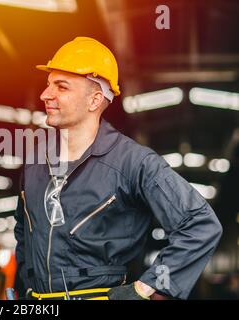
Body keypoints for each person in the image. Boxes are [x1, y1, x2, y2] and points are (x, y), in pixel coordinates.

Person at [14, 37, 223, 300]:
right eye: (48, 85)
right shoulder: (35, 163)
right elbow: (23, 232)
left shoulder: (134, 163)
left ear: (94, 100)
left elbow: (200, 224)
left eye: (61, 86)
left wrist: (147, 288)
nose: (46, 95)